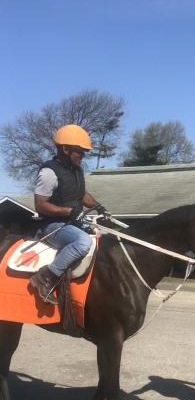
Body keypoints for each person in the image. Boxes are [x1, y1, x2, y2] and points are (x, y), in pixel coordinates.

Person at [30, 124, 109, 305]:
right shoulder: (49, 173)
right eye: (79, 152)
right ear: (65, 149)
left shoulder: (76, 171)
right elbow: (40, 205)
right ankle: (46, 276)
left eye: (83, 152)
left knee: (105, 235)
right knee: (83, 242)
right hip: (52, 226)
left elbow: (82, 195)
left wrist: (100, 207)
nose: (82, 156)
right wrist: (69, 211)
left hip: (72, 223)